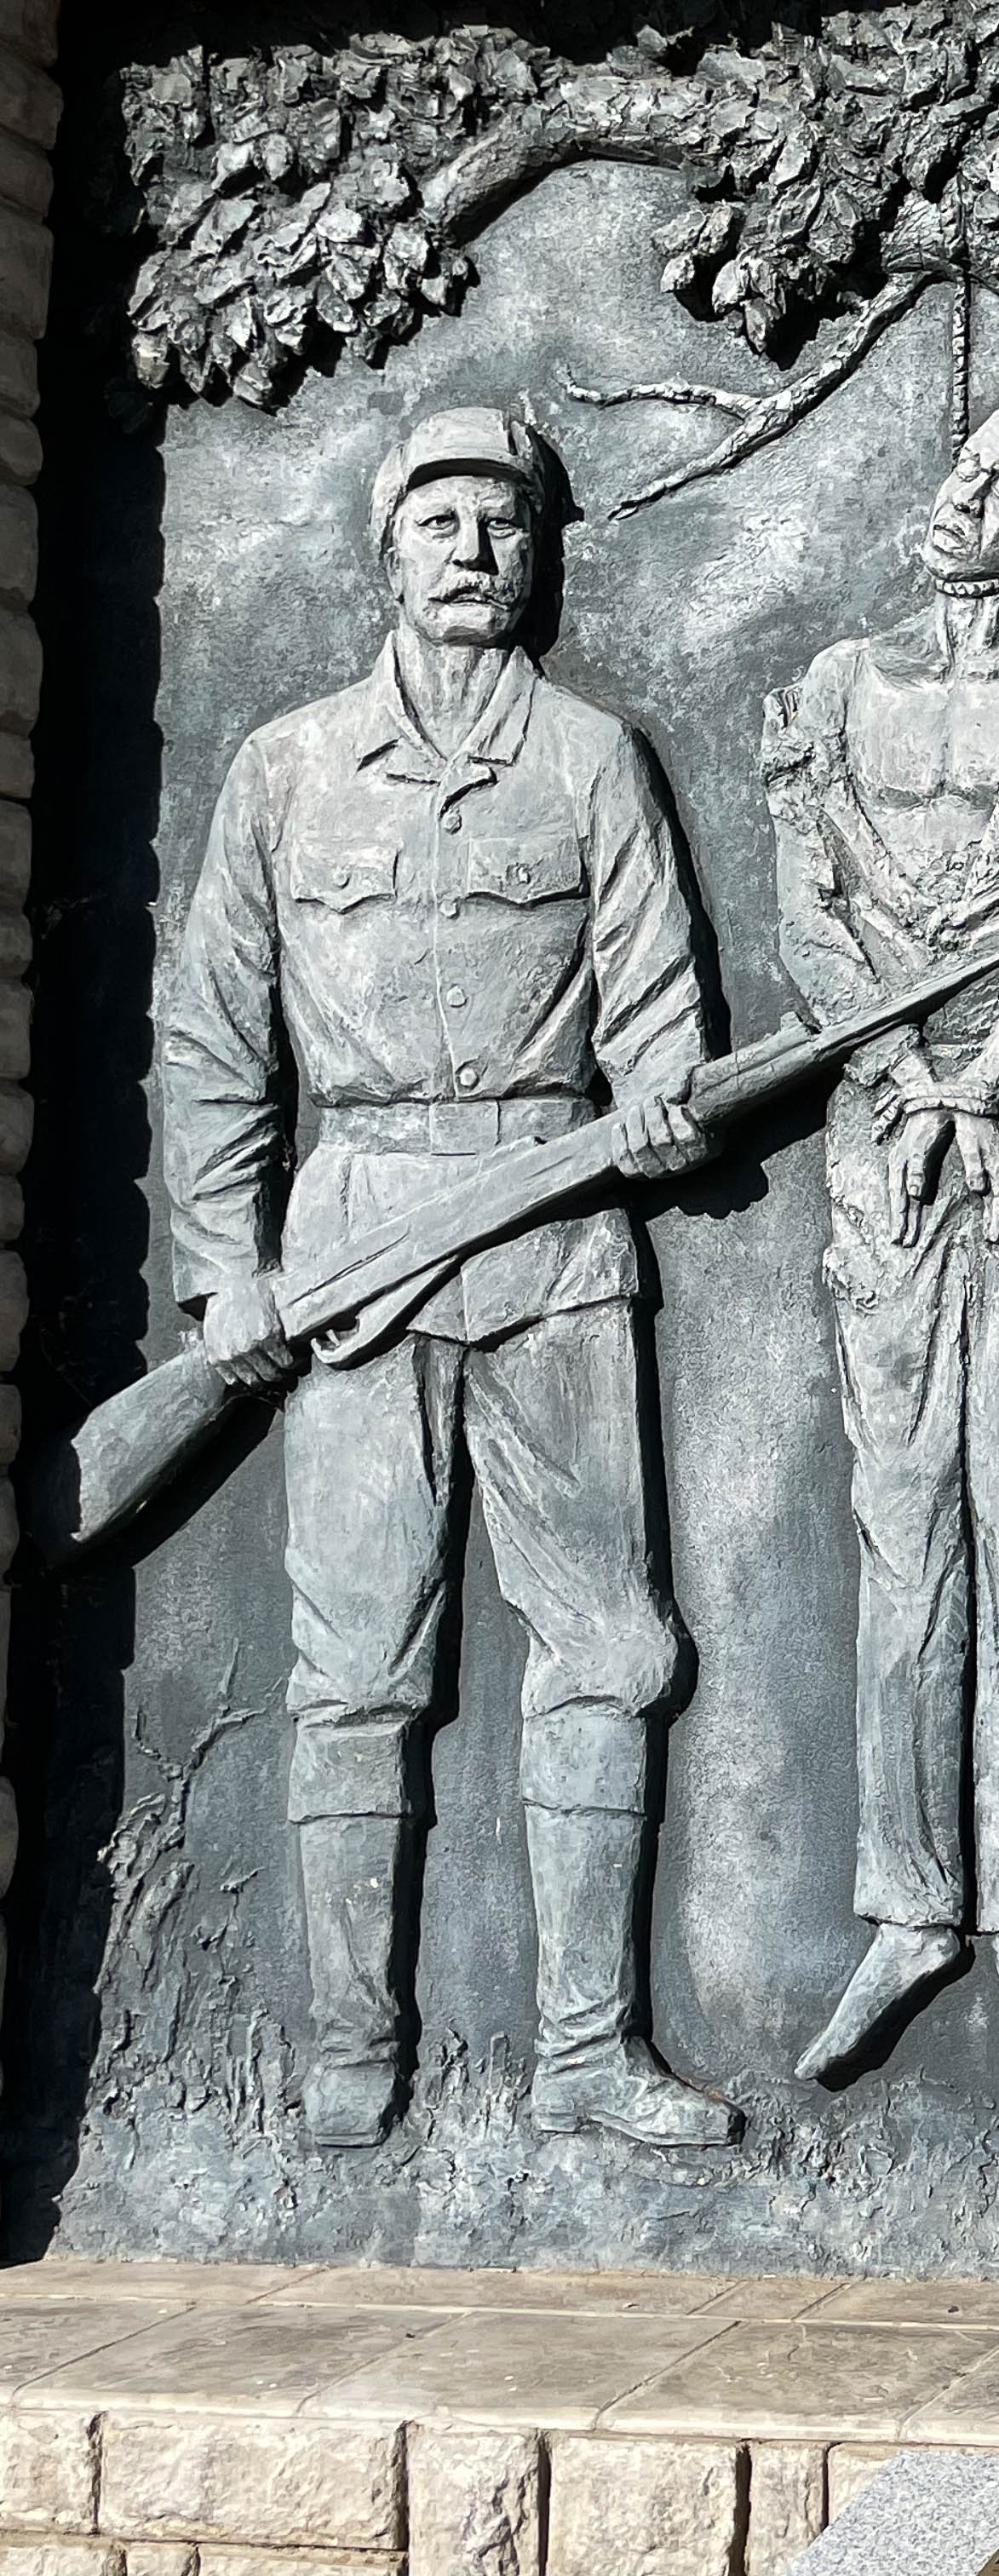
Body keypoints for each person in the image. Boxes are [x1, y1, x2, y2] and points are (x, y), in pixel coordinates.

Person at [160, 404, 733, 2150]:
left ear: (541, 556)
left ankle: (586, 2056)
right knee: (357, 1669)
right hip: (357, 1257)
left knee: (610, 1650)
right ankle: (355, 2053)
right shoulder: (287, 769)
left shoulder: (595, 759)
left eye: (505, 525)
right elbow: (216, 1037)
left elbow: (659, 1008)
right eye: (442, 524)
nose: (475, 553)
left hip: (556, 1245)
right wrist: (225, 1265)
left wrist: (660, 1106)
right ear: (387, 553)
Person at [769, 405, 999, 2097]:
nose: (964, 496)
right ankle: (913, 1911)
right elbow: (807, 911)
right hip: (883, 1121)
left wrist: (989, 1079)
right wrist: (910, 1081)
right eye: (963, 465)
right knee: (903, 1519)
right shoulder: (835, 686)